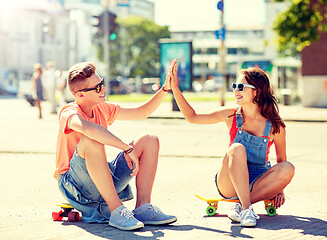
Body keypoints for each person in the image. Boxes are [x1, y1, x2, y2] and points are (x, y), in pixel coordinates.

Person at [55, 60, 177, 231]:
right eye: (97, 87)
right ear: (80, 95)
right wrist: (126, 148)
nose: (103, 89)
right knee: (91, 140)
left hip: (101, 180)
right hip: (75, 186)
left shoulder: (102, 108)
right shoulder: (69, 112)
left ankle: (143, 207)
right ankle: (117, 211)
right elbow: (89, 129)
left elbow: (142, 112)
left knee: (150, 139)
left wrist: (165, 89)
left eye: (102, 83)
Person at [170, 64, 295, 227]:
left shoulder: (275, 126)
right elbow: (192, 117)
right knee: (236, 148)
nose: (236, 90)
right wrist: (175, 89)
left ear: (256, 91)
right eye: (234, 86)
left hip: (258, 181)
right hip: (228, 182)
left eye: (241, 87)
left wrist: (279, 190)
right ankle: (246, 208)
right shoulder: (230, 115)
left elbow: (281, 160)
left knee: (288, 167)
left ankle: (241, 205)